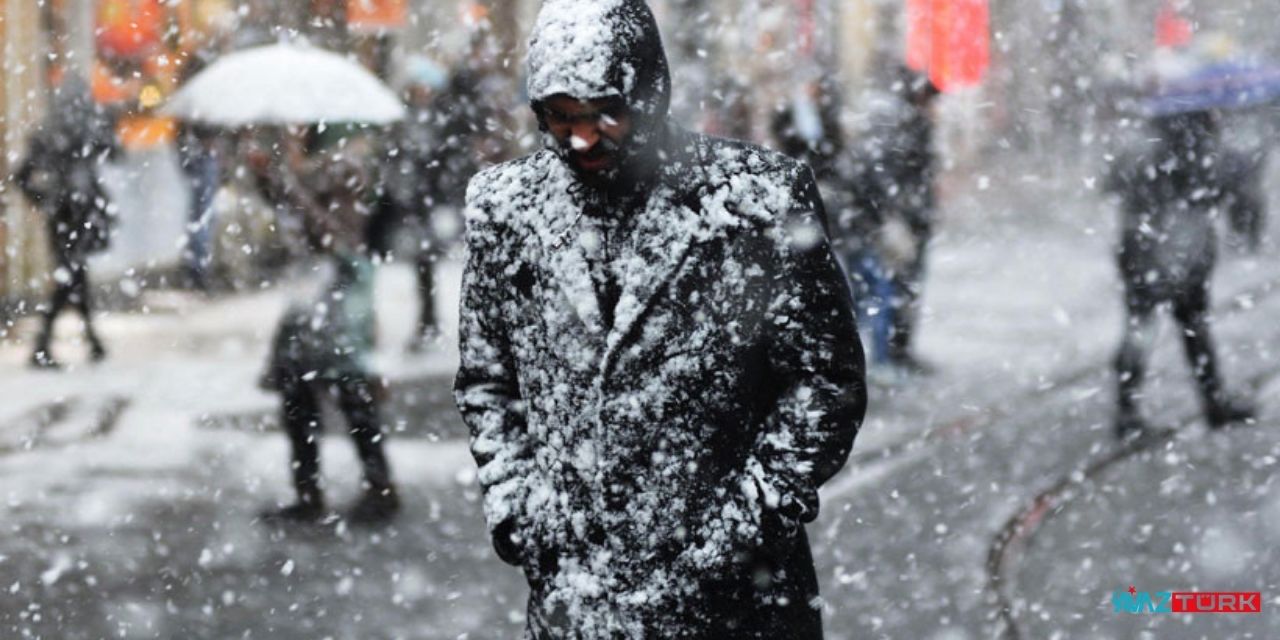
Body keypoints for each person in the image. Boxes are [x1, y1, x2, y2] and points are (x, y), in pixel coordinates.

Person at [453, 1, 866, 637]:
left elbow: (825, 382)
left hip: (737, 603)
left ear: (648, 92)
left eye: (603, 115)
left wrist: (744, 524)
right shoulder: (504, 209)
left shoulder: (759, 200)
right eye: (560, 119)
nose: (582, 139)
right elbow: (488, 381)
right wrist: (521, 507)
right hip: (578, 603)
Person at [258, 149, 399, 525]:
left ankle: (379, 491)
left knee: (360, 422)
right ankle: (310, 495)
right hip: (309, 347)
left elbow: (324, 230)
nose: (337, 202)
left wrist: (283, 181)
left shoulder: (354, 236)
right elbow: (296, 308)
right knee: (302, 423)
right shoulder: (320, 243)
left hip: (342, 351)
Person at [1105, 108, 1255, 439]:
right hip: (1188, 256)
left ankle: (1127, 411)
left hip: (1139, 251)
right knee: (1194, 329)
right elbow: (1240, 201)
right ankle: (1213, 403)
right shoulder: (1211, 158)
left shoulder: (1139, 154)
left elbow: (1111, 185)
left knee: (1140, 327)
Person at [15, 73, 118, 369]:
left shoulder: (51, 130)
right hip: (79, 212)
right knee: (70, 277)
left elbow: (22, 177)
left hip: (63, 214)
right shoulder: (83, 127)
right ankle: (46, 344)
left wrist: (44, 200)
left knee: (73, 274)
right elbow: (113, 153)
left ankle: (86, 340)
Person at [849, 65, 941, 373]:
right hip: (907, 221)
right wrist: (899, 215)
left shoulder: (903, 125)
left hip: (909, 220)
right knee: (897, 288)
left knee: (899, 288)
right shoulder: (909, 127)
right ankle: (893, 352)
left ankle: (896, 351)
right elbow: (897, 176)